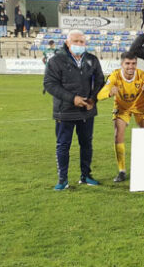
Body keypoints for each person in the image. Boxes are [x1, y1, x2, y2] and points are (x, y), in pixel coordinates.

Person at [43, 30, 104, 190]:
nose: (79, 44)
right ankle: (62, 180)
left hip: (87, 111)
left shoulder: (92, 60)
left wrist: (93, 99)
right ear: (68, 43)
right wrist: (73, 99)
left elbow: (99, 82)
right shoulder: (56, 60)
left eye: (82, 42)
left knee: (86, 144)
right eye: (75, 41)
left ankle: (86, 176)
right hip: (64, 111)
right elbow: (49, 84)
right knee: (63, 145)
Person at [97, 52, 144, 182]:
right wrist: (109, 93)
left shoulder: (142, 76)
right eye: (127, 63)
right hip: (122, 108)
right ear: (121, 64)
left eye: (133, 63)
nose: (130, 66)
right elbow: (100, 95)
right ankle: (121, 171)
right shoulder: (115, 75)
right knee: (118, 134)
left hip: (140, 107)